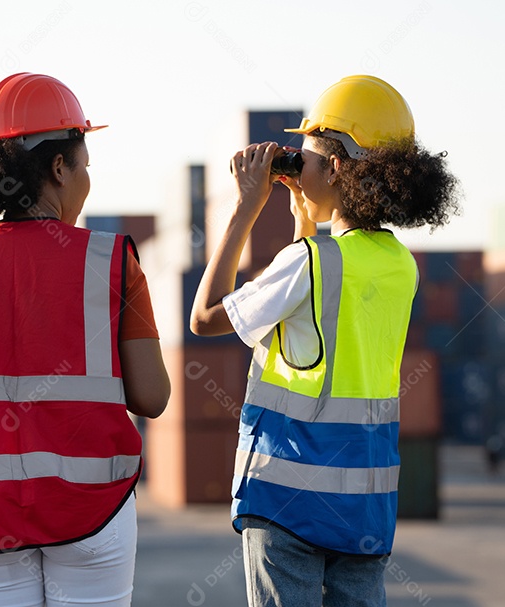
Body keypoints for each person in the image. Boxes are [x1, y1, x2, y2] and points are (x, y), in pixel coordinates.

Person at [190, 75, 460, 607]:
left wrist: (247, 207)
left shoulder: (310, 262)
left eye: (306, 158)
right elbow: (316, 325)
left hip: (288, 501)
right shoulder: (399, 264)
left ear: (335, 168)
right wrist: (303, 224)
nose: (299, 167)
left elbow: (205, 317)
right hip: (365, 505)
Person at [0, 72, 170, 607]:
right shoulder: (111, 260)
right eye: (84, 165)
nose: (87, 179)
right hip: (93, 511)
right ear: (57, 167)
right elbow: (153, 397)